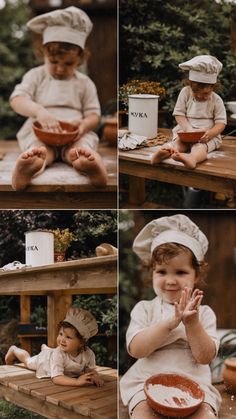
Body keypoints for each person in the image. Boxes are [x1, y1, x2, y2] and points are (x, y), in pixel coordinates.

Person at [120, 214, 221, 418]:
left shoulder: (205, 313)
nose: (171, 280)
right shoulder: (145, 309)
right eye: (162, 272)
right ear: (152, 273)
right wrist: (169, 324)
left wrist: (192, 324)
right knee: (142, 412)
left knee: (206, 415)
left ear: (196, 275)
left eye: (181, 272)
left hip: (194, 383)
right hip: (146, 380)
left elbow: (204, 357)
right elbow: (137, 350)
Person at [10, 6, 107, 190]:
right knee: (39, 149)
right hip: (40, 132)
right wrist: (39, 112)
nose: (60, 69)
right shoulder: (36, 76)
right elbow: (17, 99)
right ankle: (30, 167)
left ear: (81, 58)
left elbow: (94, 114)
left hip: (73, 134)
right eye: (53, 62)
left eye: (69, 63)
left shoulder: (84, 83)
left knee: (80, 147)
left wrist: (84, 125)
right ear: (43, 53)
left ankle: (86, 165)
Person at [151, 55, 227, 169]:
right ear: (190, 84)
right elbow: (179, 114)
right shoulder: (185, 92)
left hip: (205, 137)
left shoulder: (216, 100)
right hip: (185, 132)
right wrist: (188, 129)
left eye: (205, 93)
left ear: (213, 87)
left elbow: (221, 123)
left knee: (199, 147)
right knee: (178, 144)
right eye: (195, 91)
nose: (200, 96)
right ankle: (165, 152)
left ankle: (193, 158)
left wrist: (211, 133)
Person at [5, 307, 104, 387]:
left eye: (68, 337)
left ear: (81, 343)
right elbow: (57, 378)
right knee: (28, 361)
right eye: (60, 334)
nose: (62, 339)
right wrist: (76, 382)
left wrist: (94, 376)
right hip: (45, 361)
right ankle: (14, 349)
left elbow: (89, 369)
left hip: (55, 359)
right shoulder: (59, 354)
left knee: (29, 361)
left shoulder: (88, 354)